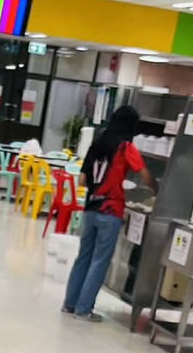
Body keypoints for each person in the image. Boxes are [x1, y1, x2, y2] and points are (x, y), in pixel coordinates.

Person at [62, 105, 155, 322]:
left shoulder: (97, 144)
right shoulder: (126, 147)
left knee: (83, 258)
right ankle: (84, 309)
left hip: (90, 209)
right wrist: (156, 190)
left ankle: (70, 304)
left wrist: (99, 186)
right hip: (111, 210)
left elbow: (82, 180)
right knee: (99, 261)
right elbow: (144, 175)